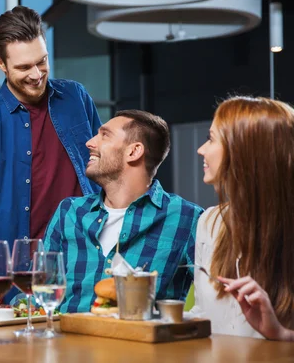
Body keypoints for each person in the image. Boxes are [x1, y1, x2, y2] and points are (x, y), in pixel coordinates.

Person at [0, 5, 102, 256]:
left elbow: (105, 162)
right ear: (1, 63)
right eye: (24, 67)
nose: (37, 74)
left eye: (42, 61)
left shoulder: (75, 97)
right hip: (27, 263)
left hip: (91, 250)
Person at [44, 110, 203, 313]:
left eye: (105, 135)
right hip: (65, 342)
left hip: (139, 343)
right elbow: (40, 291)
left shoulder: (187, 219)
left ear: (134, 151)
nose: (90, 142)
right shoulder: (69, 212)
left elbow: (218, 298)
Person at [194, 96, 294, 340]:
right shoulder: (210, 222)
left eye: (211, 138)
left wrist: (281, 335)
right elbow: (202, 311)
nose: (201, 149)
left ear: (243, 151)